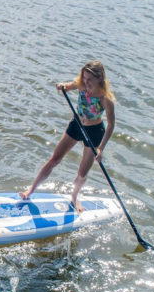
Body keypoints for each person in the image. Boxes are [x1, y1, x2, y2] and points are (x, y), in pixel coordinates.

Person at [19, 60, 116, 212]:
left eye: (90, 79)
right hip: (77, 124)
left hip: (94, 132)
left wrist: (100, 148)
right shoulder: (81, 85)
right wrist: (61, 86)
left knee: (82, 173)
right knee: (54, 159)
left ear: (99, 78)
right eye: (84, 78)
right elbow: (67, 85)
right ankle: (30, 190)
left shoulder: (106, 100)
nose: (86, 82)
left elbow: (111, 125)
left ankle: (74, 197)